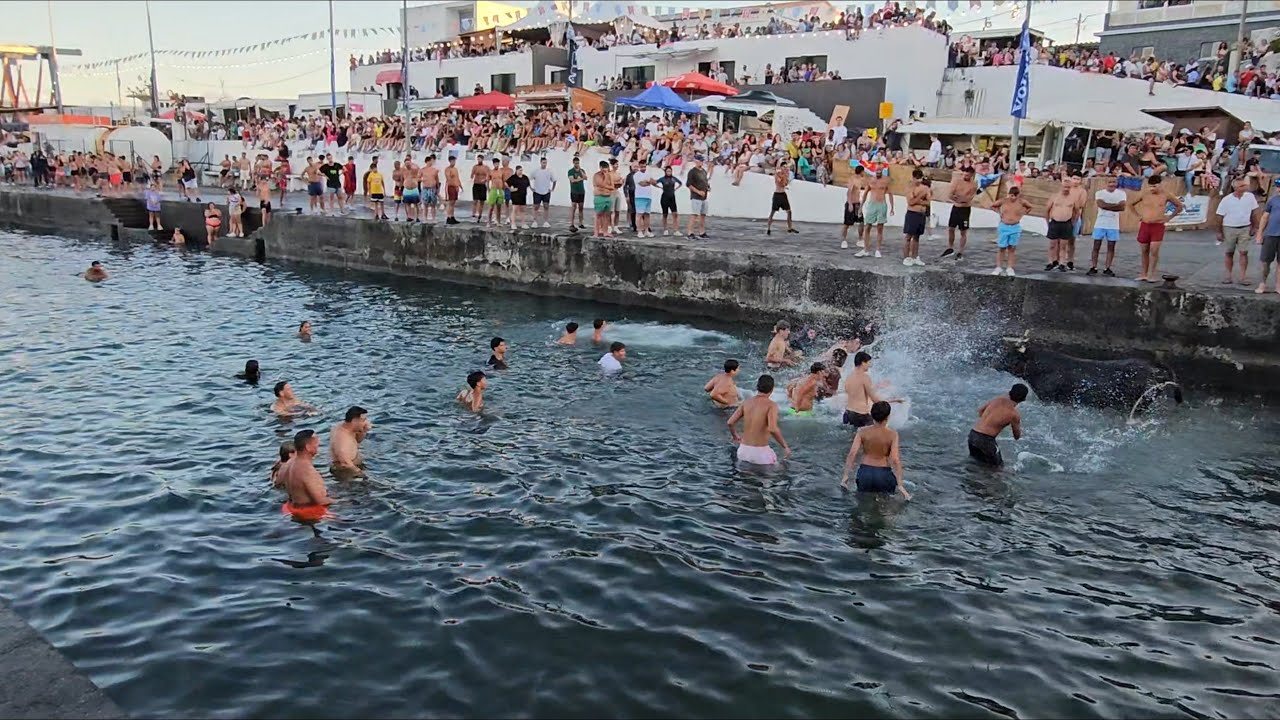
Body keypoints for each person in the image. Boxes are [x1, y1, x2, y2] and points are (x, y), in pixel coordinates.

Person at [840, 401, 908, 498]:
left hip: (865, 473)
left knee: (862, 502)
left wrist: (845, 476)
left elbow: (852, 453)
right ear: (887, 417)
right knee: (886, 503)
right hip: (883, 474)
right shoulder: (893, 434)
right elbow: (895, 459)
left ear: (871, 415)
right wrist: (900, 485)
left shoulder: (862, 431)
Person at [727, 375, 791, 466]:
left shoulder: (746, 402)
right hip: (761, 453)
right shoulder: (771, 405)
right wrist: (785, 446)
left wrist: (735, 436)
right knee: (775, 474)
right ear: (772, 389)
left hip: (743, 451)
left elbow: (730, 422)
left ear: (757, 387)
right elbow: (772, 428)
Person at [1130, 175, 1183, 282]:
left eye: (1154, 186)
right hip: (1145, 224)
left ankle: (1151, 274)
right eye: (1150, 187)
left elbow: (1179, 206)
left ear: (1160, 185)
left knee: (1154, 250)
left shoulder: (1166, 194)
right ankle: (1144, 273)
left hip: (1158, 225)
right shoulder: (1144, 194)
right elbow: (1131, 204)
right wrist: (1138, 216)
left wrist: (1169, 217)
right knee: (1144, 250)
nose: (1152, 189)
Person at [969, 384, 1027, 467]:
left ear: (1009, 392)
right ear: (1024, 399)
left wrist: (990, 422)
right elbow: (1017, 436)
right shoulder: (1014, 414)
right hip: (986, 441)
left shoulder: (997, 400)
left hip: (973, 435)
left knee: (975, 463)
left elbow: (980, 411)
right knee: (998, 468)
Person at [1217, 179, 1259, 286]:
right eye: (1242, 186)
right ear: (1235, 188)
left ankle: (1243, 276)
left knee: (1244, 252)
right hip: (1229, 227)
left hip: (1245, 227)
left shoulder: (1250, 197)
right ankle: (1228, 275)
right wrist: (1219, 232)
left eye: (1245, 185)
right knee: (1229, 252)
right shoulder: (1226, 200)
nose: (1245, 187)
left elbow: (1254, 212)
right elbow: (1219, 216)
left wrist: (1255, 226)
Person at [842, 351, 901, 427]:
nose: (869, 366)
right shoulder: (864, 377)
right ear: (863, 363)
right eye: (868, 363)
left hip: (848, 414)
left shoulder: (849, 377)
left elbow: (856, 393)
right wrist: (894, 401)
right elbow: (875, 400)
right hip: (861, 416)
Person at [278, 429, 330, 515]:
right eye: (316, 443)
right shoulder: (307, 470)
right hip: (308, 512)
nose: (318, 445)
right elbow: (322, 501)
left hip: (292, 506)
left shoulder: (290, 463)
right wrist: (342, 501)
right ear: (308, 447)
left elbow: (278, 482)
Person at [1088, 175, 1127, 277]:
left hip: (1113, 224)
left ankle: (1107, 267)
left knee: (1111, 247)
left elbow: (1122, 207)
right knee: (1096, 245)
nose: (1112, 184)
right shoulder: (1100, 193)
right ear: (1106, 183)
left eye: (1114, 182)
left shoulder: (1121, 194)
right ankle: (1093, 266)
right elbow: (1101, 205)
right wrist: (1115, 206)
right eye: (1110, 182)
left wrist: (1107, 206)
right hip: (1100, 223)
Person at [990, 186, 1032, 277]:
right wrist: (999, 212)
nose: (1012, 198)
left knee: (1012, 248)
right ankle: (998, 267)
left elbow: (1030, 207)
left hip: (1015, 226)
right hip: (1004, 226)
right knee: (1001, 248)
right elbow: (993, 205)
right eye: (1011, 195)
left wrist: (1023, 213)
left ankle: (1010, 267)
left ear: (1018, 195)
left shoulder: (1021, 202)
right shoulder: (1004, 200)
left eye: (1014, 196)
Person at [1044, 179, 1080, 272]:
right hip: (1055, 222)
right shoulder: (1054, 196)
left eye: (1068, 187)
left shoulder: (1073, 198)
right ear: (1061, 187)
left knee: (1064, 245)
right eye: (1065, 187)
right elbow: (1047, 209)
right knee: (1052, 244)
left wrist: (1073, 222)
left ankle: (1062, 263)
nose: (1066, 189)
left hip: (1066, 223)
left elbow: (1076, 211)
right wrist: (1048, 221)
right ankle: (1050, 262)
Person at [942, 167, 976, 260]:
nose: (965, 176)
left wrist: (959, 197)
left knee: (963, 231)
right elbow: (950, 194)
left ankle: (960, 251)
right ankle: (950, 247)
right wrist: (959, 198)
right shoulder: (957, 181)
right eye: (964, 174)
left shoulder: (973, 185)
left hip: (965, 209)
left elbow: (968, 198)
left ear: (971, 175)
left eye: (967, 175)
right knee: (951, 228)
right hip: (956, 208)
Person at [859, 169, 893, 258]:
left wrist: (892, 208)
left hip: (881, 204)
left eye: (880, 171)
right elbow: (865, 193)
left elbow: (890, 194)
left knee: (880, 228)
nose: (878, 172)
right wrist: (860, 207)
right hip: (872, 204)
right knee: (867, 226)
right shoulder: (870, 180)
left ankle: (878, 250)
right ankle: (866, 249)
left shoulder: (885, 180)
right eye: (877, 171)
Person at [1255, 178, 1280, 295]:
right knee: (1265, 262)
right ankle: (1262, 283)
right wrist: (1260, 233)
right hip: (1271, 234)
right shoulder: (1272, 201)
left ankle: (1278, 285)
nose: (1278, 189)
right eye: (1277, 186)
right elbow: (1264, 217)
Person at [901, 170, 931, 266]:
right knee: (908, 236)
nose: (919, 180)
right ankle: (906, 257)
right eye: (917, 178)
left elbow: (928, 202)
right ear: (913, 178)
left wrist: (918, 200)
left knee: (917, 237)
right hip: (912, 213)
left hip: (921, 214)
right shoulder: (909, 187)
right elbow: (910, 202)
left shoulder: (925, 188)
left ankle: (915, 256)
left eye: (920, 178)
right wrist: (921, 196)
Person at [330, 406, 370, 476]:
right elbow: (345, 464)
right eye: (363, 420)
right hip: (346, 473)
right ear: (355, 420)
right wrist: (362, 475)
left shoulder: (347, 428)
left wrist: (364, 430)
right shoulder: (343, 440)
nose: (366, 423)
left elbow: (357, 440)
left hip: (354, 466)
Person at [766, 162, 798, 235]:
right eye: (784, 167)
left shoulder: (785, 174)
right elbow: (781, 183)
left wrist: (786, 176)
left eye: (786, 167)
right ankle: (768, 228)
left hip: (783, 194)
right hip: (777, 195)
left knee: (789, 211)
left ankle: (790, 228)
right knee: (772, 212)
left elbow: (785, 184)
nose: (785, 168)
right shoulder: (778, 174)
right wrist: (785, 176)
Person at [841, 165, 868, 250]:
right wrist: (849, 204)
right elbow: (849, 192)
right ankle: (844, 240)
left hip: (857, 204)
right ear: (861, 171)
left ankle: (860, 239)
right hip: (851, 203)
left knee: (861, 222)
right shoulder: (852, 180)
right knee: (846, 224)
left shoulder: (861, 180)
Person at [685, 155, 710, 239]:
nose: (701, 162)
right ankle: (690, 232)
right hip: (696, 196)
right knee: (694, 215)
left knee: (703, 215)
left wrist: (707, 187)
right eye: (700, 161)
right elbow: (689, 184)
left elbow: (705, 181)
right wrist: (698, 192)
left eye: (702, 161)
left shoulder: (703, 171)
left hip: (704, 196)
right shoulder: (692, 172)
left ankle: (702, 232)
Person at [656, 165, 682, 236]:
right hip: (665, 197)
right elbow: (655, 182)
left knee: (675, 214)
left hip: (672, 197)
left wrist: (675, 189)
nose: (669, 172)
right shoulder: (663, 179)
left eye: (670, 171)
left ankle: (676, 230)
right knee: (665, 214)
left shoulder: (674, 178)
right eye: (667, 171)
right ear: (665, 172)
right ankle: (665, 229)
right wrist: (659, 187)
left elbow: (680, 183)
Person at [632, 159, 656, 238]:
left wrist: (648, 181)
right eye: (641, 167)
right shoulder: (636, 175)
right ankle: (639, 231)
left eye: (644, 166)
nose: (643, 168)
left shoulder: (648, 173)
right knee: (639, 214)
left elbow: (654, 182)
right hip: (640, 196)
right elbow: (642, 184)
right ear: (639, 166)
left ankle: (646, 230)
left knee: (647, 214)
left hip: (648, 196)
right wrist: (649, 182)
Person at [530, 156, 555, 228]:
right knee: (536, 207)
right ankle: (535, 221)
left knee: (546, 206)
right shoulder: (536, 171)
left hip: (546, 192)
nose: (544, 164)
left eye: (545, 163)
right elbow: (529, 178)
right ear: (540, 163)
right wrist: (531, 188)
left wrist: (552, 189)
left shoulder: (549, 171)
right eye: (543, 163)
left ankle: (546, 221)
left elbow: (554, 180)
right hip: (537, 191)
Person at [592, 160, 614, 238]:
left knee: (606, 216)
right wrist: (605, 178)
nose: (605, 170)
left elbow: (612, 187)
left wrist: (604, 187)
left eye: (606, 168)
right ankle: (596, 232)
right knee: (598, 215)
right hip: (599, 197)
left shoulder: (609, 175)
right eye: (604, 168)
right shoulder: (596, 175)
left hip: (608, 197)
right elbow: (601, 184)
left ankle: (605, 232)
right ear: (600, 168)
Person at [506, 164, 531, 229]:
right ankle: (513, 223)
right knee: (515, 209)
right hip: (515, 195)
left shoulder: (525, 177)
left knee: (522, 209)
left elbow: (528, 185)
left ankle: (523, 223)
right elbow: (506, 183)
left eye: (521, 170)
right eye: (519, 170)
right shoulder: (513, 177)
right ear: (516, 170)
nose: (521, 171)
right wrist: (510, 189)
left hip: (523, 195)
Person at [567, 155, 586, 232]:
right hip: (574, 191)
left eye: (578, 163)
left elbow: (586, 177)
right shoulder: (571, 171)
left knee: (581, 208)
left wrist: (581, 173)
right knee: (573, 207)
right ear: (573, 163)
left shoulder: (582, 170)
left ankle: (580, 223)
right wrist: (580, 179)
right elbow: (572, 180)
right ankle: (572, 223)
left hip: (581, 191)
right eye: (575, 163)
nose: (577, 165)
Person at [470, 155, 490, 222]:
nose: (479, 160)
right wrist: (472, 178)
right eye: (478, 159)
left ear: (482, 159)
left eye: (480, 159)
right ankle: (473, 214)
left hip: (482, 185)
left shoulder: (486, 167)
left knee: (482, 201)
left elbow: (488, 176)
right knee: (475, 200)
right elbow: (471, 176)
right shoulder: (475, 167)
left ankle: (480, 215)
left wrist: (485, 180)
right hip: (476, 185)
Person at [444, 155, 462, 224]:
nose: (454, 162)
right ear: (450, 161)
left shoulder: (455, 169)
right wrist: (455, 185)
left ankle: (452, 216)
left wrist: (460, 185)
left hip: (455, 187)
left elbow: (457, 178)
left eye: (454, 161)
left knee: (453, 203)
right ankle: (449, 217)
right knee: (450, 202)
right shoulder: (447, 169)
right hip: (451, 186)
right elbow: (449, 179)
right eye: (453, 161)